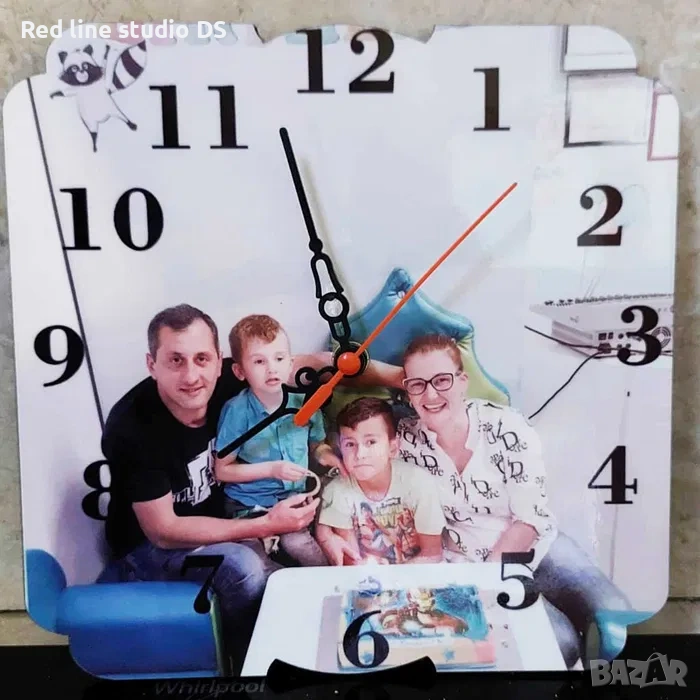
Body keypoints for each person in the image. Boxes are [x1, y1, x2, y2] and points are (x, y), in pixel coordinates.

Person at [99, 303, 402, 671]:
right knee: (243, 567)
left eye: (201, 359)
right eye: (175, 361)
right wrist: (266, 524)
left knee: (316, 543)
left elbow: (331, 364)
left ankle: (341, 634)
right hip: (152, 547)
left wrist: (403, 378)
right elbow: (164, 531)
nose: (192, 375)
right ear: (152, 365)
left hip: (231, 515)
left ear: (221, 362)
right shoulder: (133, 429)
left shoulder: (244, 375)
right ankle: (255, 667)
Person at [214, 314, 341, 566]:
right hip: (248, 506)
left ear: (291, 363)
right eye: (259, 361)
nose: (271, 368)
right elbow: (222, 470)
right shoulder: (237, 411)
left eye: (279, 358)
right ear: (240, 371)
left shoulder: (305, 403)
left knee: (306, 551)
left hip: (293, 501)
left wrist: (328, 456)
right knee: (254, 565)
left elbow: (316, 446)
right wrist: (272, 469)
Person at [317, 397, 444, 565]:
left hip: (419, 572)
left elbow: (432, 554)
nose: (360, 454)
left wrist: (395, 578)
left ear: (393, 448)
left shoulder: (419, 483)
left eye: (371, 442)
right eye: (350, 444)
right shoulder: (337, 491)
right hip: (368, 578)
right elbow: (351, 560)